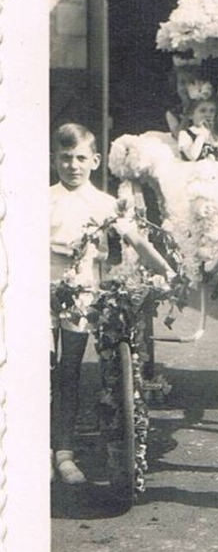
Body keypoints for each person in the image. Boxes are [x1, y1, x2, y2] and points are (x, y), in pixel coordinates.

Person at [50, 123, 172, 485]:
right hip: (37, 291)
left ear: (95, 160)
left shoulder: (103, 204)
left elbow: (136, 241)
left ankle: (64, 453)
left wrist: (167, 272)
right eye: (65, 157)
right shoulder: (40, 198)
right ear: (55, 158)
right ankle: (34, 450)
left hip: (81, 295)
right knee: (38, 372)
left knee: (69, 371)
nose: (72, 165)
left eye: (80, 158)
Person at [177, 94, 218, 161]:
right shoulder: (184, 134)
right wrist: (201, 134)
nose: (208, 114)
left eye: (212, 111)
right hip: (194, 168)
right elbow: (192, 156)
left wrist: (214, 136)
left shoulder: (212, 133)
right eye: (203, 111)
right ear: (191, 115)